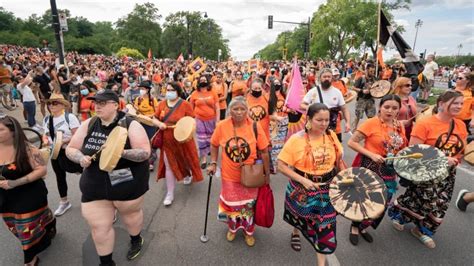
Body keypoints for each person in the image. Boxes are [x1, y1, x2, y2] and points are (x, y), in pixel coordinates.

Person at [66, 89, 151, 265]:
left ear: (115, 105)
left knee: (130, 216)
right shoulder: (89, 123)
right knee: (98, 227)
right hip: (94, 185)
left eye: (102, 103)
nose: (97, 106)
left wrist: (121, 152)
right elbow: (70, 149)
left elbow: (144, 153)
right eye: (95, 102)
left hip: (126, 183)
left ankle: (136, 239)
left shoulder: (130, 124)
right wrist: (80, 157)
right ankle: (106, 262)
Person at [388, 91, 468, 249]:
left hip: (448, 173)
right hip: (425, 171)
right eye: (455, 103)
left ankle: (422, 230)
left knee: (441, 203)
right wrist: (442, 159)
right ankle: (400, 213)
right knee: (426, 201)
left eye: (461, 103)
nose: (459, 106)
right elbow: (413, 153)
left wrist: (457, 159)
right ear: (441, 104)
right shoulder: (425, 124)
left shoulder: (460, 125)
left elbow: (461, 149)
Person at [277, 103, 344, 266]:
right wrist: (304, 180)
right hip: (302, 189)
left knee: (325, 226)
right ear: (308, 119)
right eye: (319, 120)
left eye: (327, 120)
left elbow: (339, 160)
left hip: (327, 188)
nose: (324, 124)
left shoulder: (331, 136)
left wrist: (344, 178)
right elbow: (281, 165)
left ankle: (320, 262)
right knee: (300, 216)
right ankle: (296, 232)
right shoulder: (296, 139)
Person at [207, 96, 270, 247]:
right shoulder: (222, 126)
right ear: (229, 111)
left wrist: (266, 174)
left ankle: (249, 231)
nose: (239, 112)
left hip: (251, 176)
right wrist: (213, 162)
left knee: (248, 206)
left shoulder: (254, 126)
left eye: (243, 109)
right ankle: (233, 228)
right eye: (235, 109)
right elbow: (214, 144)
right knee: (232, 205)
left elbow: (264, 150)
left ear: (247, 110)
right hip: (229, 176)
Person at [347, 94, 407, 245]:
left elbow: (402, 147)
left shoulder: (399, 126)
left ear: (399, 110)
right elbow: (352, 142)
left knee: (383, 202)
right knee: (364, 199)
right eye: (386, 107)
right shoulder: (371, 123)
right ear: (380, 107)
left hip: (389, 169)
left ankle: (363, 225)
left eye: (394, 108)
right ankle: (355, 226)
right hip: (370, 166)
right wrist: (371, 154)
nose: (390, 111)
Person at [0, 115, 56, 266]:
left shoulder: (27, 148)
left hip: (30, 194)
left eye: (0, 130)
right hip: (5, 199)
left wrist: (15, 183)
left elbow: (41, 170)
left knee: (25, 230)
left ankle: (30, 259)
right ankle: (49, 222)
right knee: (14, 227)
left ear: (12, 131)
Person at [152, 82, 203, 206]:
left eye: (171, 90)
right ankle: (170, 193)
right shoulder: (162, 104)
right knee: (169, 165)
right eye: (167, 89)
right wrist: (159, 124)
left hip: (183, 139)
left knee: (186, 159)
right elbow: (154, 118)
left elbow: (192, 121)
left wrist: (185, 128)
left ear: (178, 91)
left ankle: (187, 174)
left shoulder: (185, 105)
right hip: (167, 141)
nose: (168, 92)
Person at [42, 94, 82, 217]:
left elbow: (78, 136)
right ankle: (64, 202)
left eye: (55, 103)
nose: (51, 106)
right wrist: (45, 140)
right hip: (55, 152)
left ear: (63, 105)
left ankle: (98, 197)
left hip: (69, 151)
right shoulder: (47, 119)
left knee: (85, 171)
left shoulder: (69, 117)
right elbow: (45, 134)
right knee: (59, 176)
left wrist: (63, 141)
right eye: (49, 103)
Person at [301, 68, 351, 142]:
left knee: (334, 149)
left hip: (334, 128)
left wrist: (348, 123)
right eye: (324, 77)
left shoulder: (337, 92)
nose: (327, 78)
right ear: (320, 78)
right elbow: (302, 105)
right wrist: (309, 107)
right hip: (315, 128)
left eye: (329, 77)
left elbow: (344, 108)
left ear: (332, 78)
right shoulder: (313, 91)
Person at [189, 75, 220, 168]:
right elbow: (191, 108)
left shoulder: (212, 92)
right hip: (199, 119)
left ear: (207, 81)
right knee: (201, 139)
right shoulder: (194, 94)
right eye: (201, 80)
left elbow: (217, 107)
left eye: (204, 80)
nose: (203, 81)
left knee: (211, 138)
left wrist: (217, 121)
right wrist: (191, 120)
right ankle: (204, 159)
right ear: (198, 82)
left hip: (211, 119)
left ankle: (212, 158)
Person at [133, 80, 159, 171]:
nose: (141, 90)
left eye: (143, 89)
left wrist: (149, 116)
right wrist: (135, 110)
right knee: (141, 141)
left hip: (150, 123)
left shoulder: (152, 100)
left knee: (150, 141)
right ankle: (143, 159)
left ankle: (151, 161)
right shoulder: (138, 99)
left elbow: (157, 112)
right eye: (140, 89)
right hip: (140, 123)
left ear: (148, 90)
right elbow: (135, 110)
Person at [352, 63, 377, 130]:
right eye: (371, 71)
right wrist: (362, 90)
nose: (372, 73)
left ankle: (371, 130)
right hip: (361, 100)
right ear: (366, 70)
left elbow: (378, 88)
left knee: (371, 116)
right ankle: (354, 129)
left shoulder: (375, 79)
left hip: (370, 100)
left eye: (373, 71)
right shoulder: (361, 78)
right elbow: (353, 87)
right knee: (358, 116)